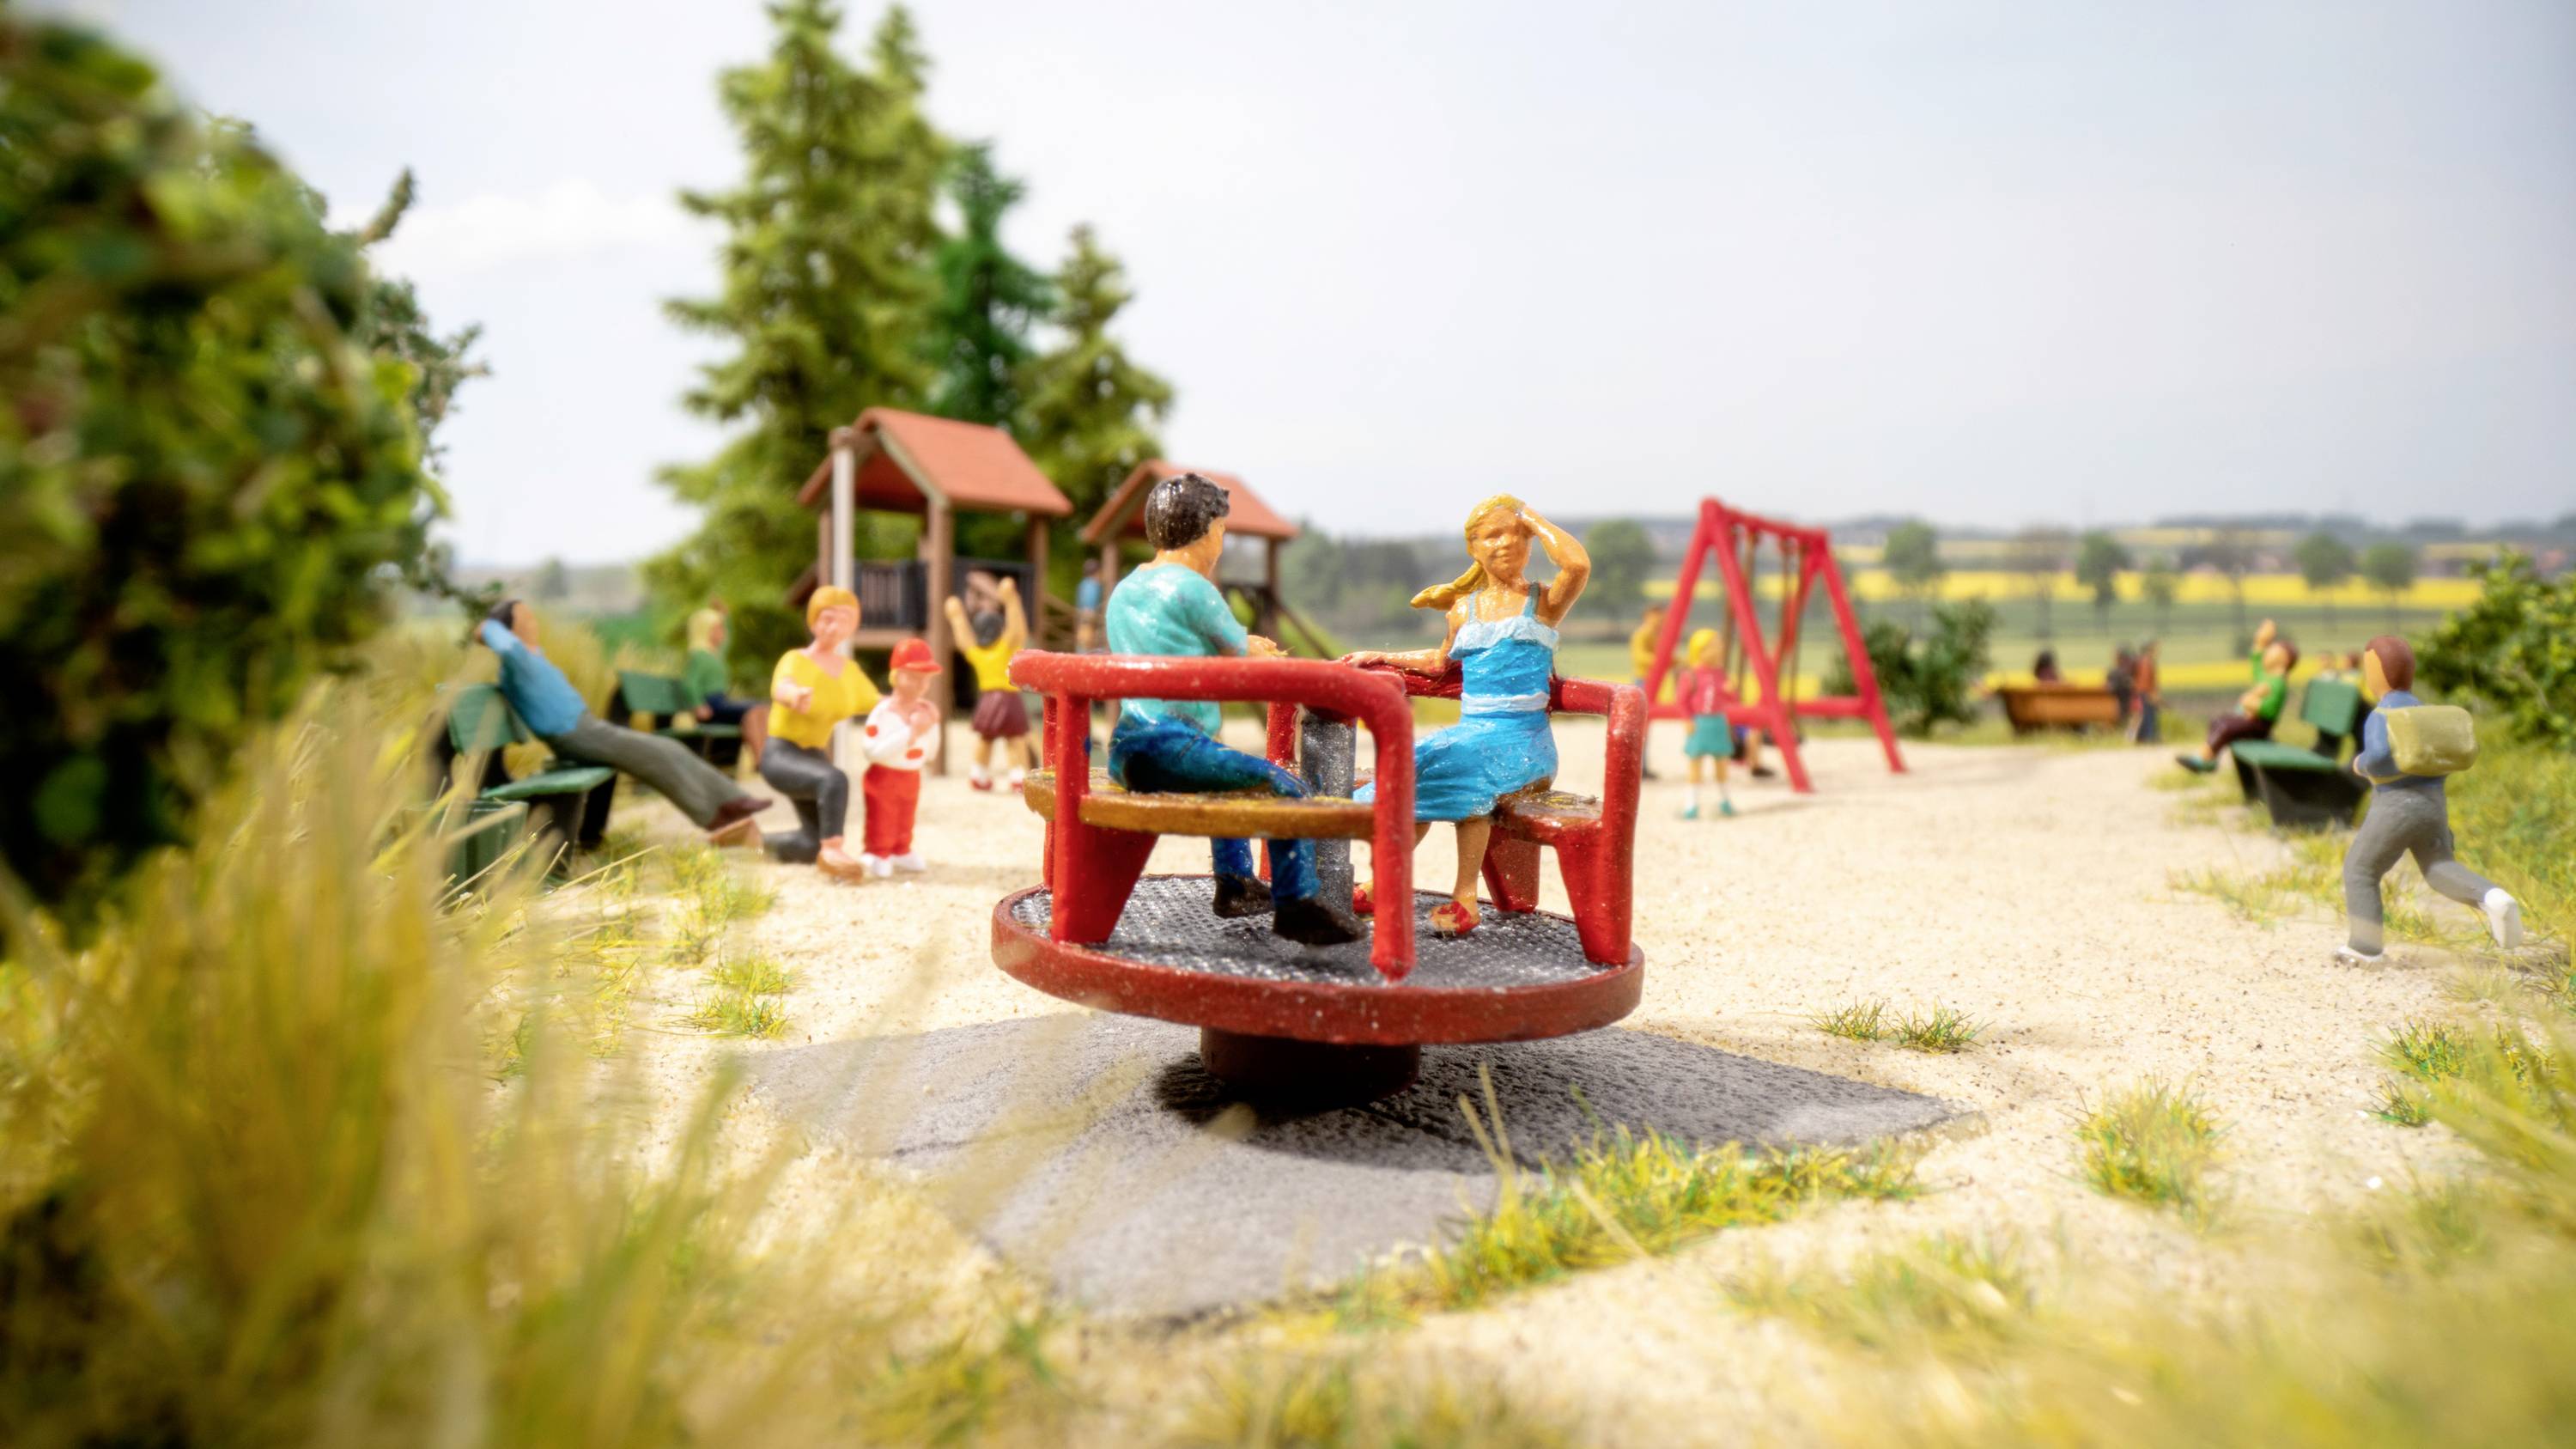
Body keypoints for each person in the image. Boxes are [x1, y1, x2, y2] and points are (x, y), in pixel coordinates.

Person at [1104, 473, 1361, 946]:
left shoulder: (1126, 590)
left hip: (1127, 748)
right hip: (1172, 744)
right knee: (1287, 787)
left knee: (1224, 775)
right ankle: (1297, 903)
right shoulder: (1193, 588)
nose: (1221, 543)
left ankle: (1235, 881)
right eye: (1221, 531)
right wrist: (1263, 650)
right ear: (1204, 530)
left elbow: (1183, 647)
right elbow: (1240, 654)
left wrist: (1242, 646)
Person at [1346, 495, 1589, 937]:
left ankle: (1464, 897)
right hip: (1472, 734)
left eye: (1513, 534)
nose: (1503, 544)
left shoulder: (1543, 602)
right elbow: (1441, 664)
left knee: (1463, 766)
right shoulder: (1464, 610)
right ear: (1473, 548)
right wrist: (1381, 655)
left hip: (1523, 741)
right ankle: (1384, 881)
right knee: (1418, 763)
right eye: (1490, 536)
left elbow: (1577, 566)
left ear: (1529, 541)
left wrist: (1530, 516)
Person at [477, 600, 769, 847]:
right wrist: (488, 627)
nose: (532, 622)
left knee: (668, 747)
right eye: (524, 618)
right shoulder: (516, 660)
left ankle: (732, 801)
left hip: (588, 727)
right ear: (509, 629)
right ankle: (715, 818)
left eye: (531, 616)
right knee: (654, 756)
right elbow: (498, 640)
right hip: (574, 735)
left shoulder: (532, 655)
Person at [2337, 636, 2520, 965]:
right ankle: (2493, 897)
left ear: (2378, 672)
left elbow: (2378, 757)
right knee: (2439, 867)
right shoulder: (2424, 712)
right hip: (2433, 806)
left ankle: (2365, 949)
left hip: (2395, 805)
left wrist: (2359, 763)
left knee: (2361, 870)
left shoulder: (2383, 715)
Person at [758, 586, 877, 880]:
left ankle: (749, 844)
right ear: (813, 621)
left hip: (813, 755)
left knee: (810, 843)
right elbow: (781, 686)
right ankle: (833, 852)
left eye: (845, 620)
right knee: (834, 779)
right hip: (781, 753)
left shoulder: (848, 671)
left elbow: (877, 701)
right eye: (827, 618)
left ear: (853, 626)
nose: (835, 627)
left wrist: (913, 707)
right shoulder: (796, 659)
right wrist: (793, 695)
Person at [857, 637, 940, 878]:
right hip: (884, 774)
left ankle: (901, 849)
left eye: (926, 677)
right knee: (883, 814)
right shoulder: (883, 712)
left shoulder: (924, 709)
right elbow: (872, 750)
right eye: (913, 676)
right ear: (896, 676)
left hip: (911, 773)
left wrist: (932, 726)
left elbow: (931, 749)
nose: (921, 683)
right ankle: (877, 851)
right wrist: (911, 732)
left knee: (906, 813)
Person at [943, 575, 1031, 792]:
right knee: (1015, 739)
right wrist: (1012, 600)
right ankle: (1019, 775)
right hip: (1008, 697)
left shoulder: (977, 653)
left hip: (987, 699)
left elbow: (964, 639)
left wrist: (956, 616)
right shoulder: (1005, 648)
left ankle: (979, 774)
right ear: (999, 630)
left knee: (986, 738)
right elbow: (1018, 631)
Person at [2177, 619, 2295, 773]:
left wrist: (2251, 704)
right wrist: (2260, 641)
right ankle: (2207, 758)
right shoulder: (2268, 677)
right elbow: (2257, 663)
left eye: (2272, 650)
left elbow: (2270, 711)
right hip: (2251, 721)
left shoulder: (2278, 684)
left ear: (2284, 660)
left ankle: (2205, 760)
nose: (2268, 652)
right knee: (2218, 721)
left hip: (2260, 726)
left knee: (2226, 727)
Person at [682, 602, 769, 765]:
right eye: (717, 629)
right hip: (712, 705)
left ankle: (765, 756)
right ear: (705, 630)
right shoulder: (699, 655)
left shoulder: (715, 654)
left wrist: (725, 616)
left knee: (760, 708)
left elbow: (727, 640)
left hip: (721, 701)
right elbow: (690, 683)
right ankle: (760, 759)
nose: (721, 633)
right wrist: (698, 705)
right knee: (753, 710)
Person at [1674, 627, 1735, 819]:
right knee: (1695, 763)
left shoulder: (1720, 674)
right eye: (1713, 647)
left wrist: (1730, 690)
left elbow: (1733, 697)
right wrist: (1687, 718)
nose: (1718, 650)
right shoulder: (1690, 675)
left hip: (1717, 722)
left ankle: (1725, 800)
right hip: (1699, 723)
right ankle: (1691, 804)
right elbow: (1682, 700)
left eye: (1718, 646)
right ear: (1700, 651)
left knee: (1722, 763)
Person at [1627, 603, 1665, 779]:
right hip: (1644, 681)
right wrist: (1661, 660)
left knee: (1646, 726)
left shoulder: (1656, 635)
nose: (1660, 620)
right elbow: (1641, 657)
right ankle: (1637, 765)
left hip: (1653, 681)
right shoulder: (1642, 634)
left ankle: (1643, 765)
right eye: (1657, 615)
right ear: (1648, 615)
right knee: (1641, 725)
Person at [2129, 639, 2164, 745]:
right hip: (2145, 693)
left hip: (2143, 692)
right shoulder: (2146, 662)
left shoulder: (2142, 661)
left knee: (2145, 715)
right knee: (2148, 716)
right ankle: (2148, 737)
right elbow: (2145, 679)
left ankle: (2144, 737)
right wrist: (2151, 693)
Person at [1074, 558, 1106, 653]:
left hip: (1081, 618)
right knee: (1086, 644)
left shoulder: (1083, 584)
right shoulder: (1093, 585)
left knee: (1081, 643)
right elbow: (1088, 608)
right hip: (1088, 618)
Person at [2107, 644, 2137, 731]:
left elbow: (2110, 688)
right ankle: (2130, 736)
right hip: (2124, 706)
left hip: (2115, 706)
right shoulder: (2126, 673)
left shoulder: (2113, 672)